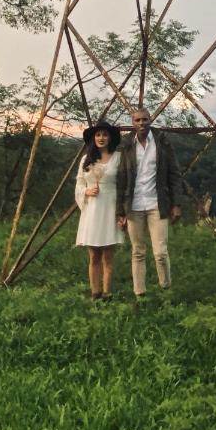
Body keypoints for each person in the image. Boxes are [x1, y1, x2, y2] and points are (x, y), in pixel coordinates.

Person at [116, 107, 181, 298]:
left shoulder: (161, 142)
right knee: (138, 251)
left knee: (160, 252)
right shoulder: (127, 145)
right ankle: (140, 294)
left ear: (150, 120)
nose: (141, 123)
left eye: (145, 119)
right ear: (133, 122)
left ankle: (166, 288)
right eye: (137, 120)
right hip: (133, 205)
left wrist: (176, 204)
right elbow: (121, 179)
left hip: (157, 204)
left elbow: (174, 173)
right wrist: (119, 211)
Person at [75, 121, 124, 300]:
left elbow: (124, 185)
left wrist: (122, 212)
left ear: (110, 137)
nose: (101, 138)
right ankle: (95, 292)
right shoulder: (85, 159)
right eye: (98, 135)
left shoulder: (119, 157)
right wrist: (86, 191)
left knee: (108, 255)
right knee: (94, 254)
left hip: (110, 207)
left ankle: (107, 292)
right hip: (92, 210)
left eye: (104, 135)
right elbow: (79, 183)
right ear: (93, 138)